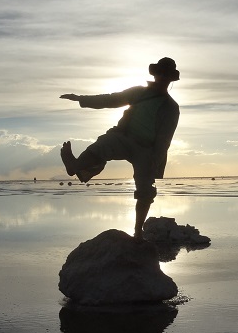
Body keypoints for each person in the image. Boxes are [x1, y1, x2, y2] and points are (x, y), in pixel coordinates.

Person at [60, 57, 181, 238]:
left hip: (147, 149)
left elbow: (165, 138)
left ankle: (137, 231)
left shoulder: (171, 107)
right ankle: (74, 166)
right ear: (155, 74)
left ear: (171, 79)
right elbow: (112, 99)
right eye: (160, 73)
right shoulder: (139, 92)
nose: (162, 77)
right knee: (102, 146)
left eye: (166, 75)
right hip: (124, 136)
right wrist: (81, 99)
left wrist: (156, 161)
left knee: (146, 190)